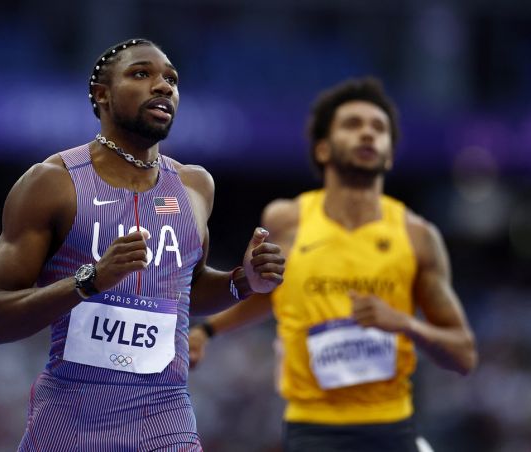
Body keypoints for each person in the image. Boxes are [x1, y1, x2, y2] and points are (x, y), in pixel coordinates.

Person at [0, 38, 285, 451]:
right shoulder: (51, 183)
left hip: (166, 422)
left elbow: (182, 293)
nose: (163, 86)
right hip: (68, 425)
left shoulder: (195, 186)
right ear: (102, 95)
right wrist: (90, 281)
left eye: (171, 79)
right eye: (142, 74)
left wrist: (242, 282)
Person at [188, 77, 478, 452]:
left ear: (389, 154)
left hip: (391, 427)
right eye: (352, 125)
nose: (367, 135)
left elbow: (463, 355)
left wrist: (404, 323)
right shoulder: (287, 219)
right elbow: (271, 293)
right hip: (312, 428)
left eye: (378, 128)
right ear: (323, 149)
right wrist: (206, 331)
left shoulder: (418, 236)